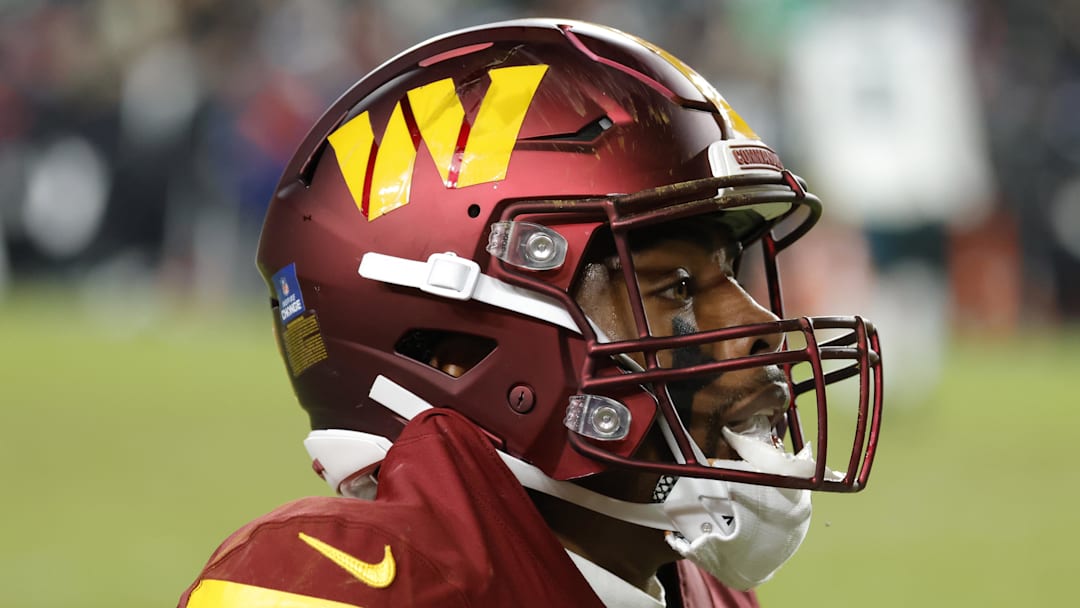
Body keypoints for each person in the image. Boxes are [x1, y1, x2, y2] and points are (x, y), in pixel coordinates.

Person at [178, 19, 883, 608]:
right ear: (451, 352)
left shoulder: (704, 589)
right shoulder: (338, 583)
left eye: (729, 272)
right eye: (672, 285)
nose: (756, 323)